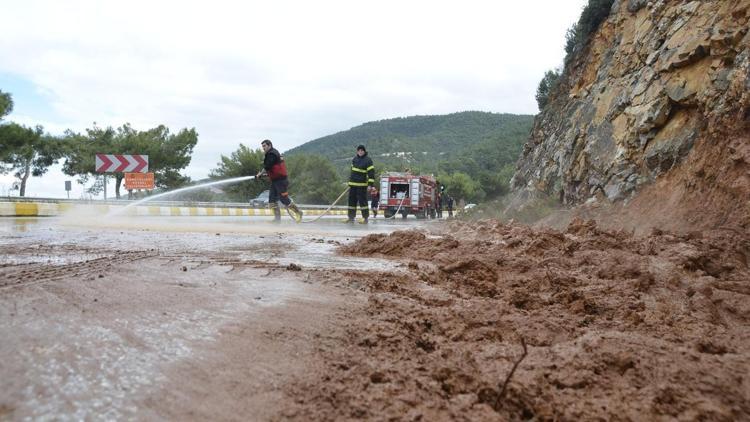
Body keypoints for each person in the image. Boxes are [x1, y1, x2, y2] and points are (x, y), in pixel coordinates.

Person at [256, 139, 303, 223]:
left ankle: (299, 212)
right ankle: (277, 220)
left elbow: (268, 166)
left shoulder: (272, 153)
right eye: (262, 146)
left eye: (264, 146)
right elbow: (273, 170)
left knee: (284, 199)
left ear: (269, 145)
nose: (263, 148)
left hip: (281, 181)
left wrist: (260, 174)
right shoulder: (270, 154)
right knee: (272, 201)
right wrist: (263, 175)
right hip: (275, 181)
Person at [346, 145, 375, 223]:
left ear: (364, 151)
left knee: (363, 202)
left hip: (361, 185)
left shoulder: (368, 160)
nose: (360, 152)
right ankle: (351, 217)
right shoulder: (354, 159)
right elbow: (352, 172)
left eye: (362, 150)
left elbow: (371, 173)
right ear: (357, 151)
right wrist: (350, 183)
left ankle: (365, 218)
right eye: (359, 150)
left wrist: (370, 184)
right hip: (353, 185)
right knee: (351, 202)